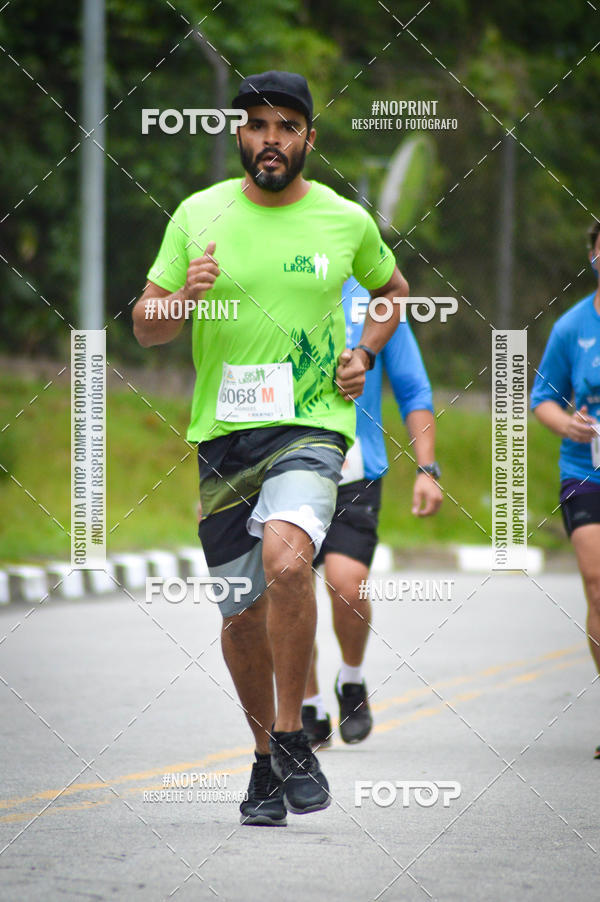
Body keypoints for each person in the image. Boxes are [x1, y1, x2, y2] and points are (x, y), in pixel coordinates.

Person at [132, 71, 409, 825]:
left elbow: (392, 293)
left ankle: (294, 735)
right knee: (239, 611)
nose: (271, 139)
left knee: (289, 557)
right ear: (239, 135)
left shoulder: (344, 221)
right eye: (257, 124)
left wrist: (364, 352)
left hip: (312, 424)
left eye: (287, 126)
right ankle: (264, 761)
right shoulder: (198, 213)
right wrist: (184, 298)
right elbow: (145, 325)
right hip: (223, 436)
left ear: (308, 139)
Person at [302, 277, 443, 746]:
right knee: (289, 585)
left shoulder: (376, 303)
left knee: (346, 583)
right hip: (284, 467)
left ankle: (352, 680)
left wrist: (428, 469)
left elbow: (414, 390)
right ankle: (308, 706)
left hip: (354, 470)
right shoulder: (273, 286)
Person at [531, 220, 600, 758]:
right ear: (593, 255)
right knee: (597, 585)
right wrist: (568, 425)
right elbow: (542, 399)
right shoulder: (571, 327)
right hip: (586, 471)